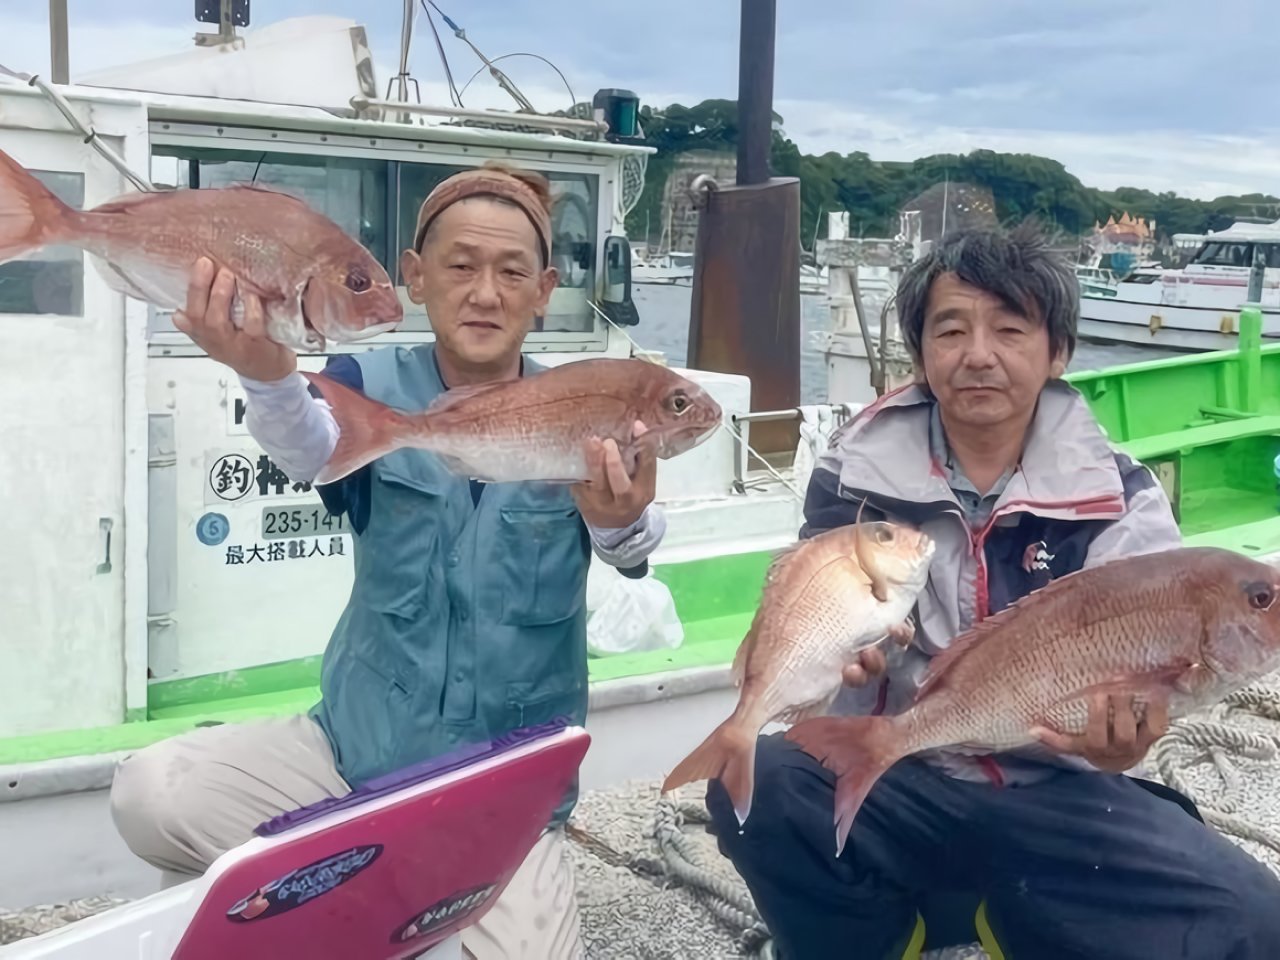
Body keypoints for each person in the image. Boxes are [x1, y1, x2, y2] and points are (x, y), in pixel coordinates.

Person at [109, 164, 665, 960]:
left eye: (512, 272)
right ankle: (378, 899)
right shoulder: (365, 383)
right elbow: (313, 446)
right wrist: (267, 376)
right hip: (346, 762)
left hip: (496, 807)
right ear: (416, 275)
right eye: (461, 265)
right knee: (149, 793)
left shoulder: (587, 400)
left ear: (544, 290)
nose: (485, 292)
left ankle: (350, 903)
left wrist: (621, 524)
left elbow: (637, 542)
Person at [706, 223, 1280, 959]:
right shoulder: (850, 477)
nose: (979, 355)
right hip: (901, 779)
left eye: (1011, 329)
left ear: (1058, 352)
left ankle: (1006, 914)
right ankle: (885, 938)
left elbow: (1136, 707)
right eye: (951, 330)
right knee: (758, 786)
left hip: (1056, 792)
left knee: (1255, 926)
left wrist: (1119, 746)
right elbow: (813, 617)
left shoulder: (1121, 495)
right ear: (920, 354)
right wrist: (833, 666)